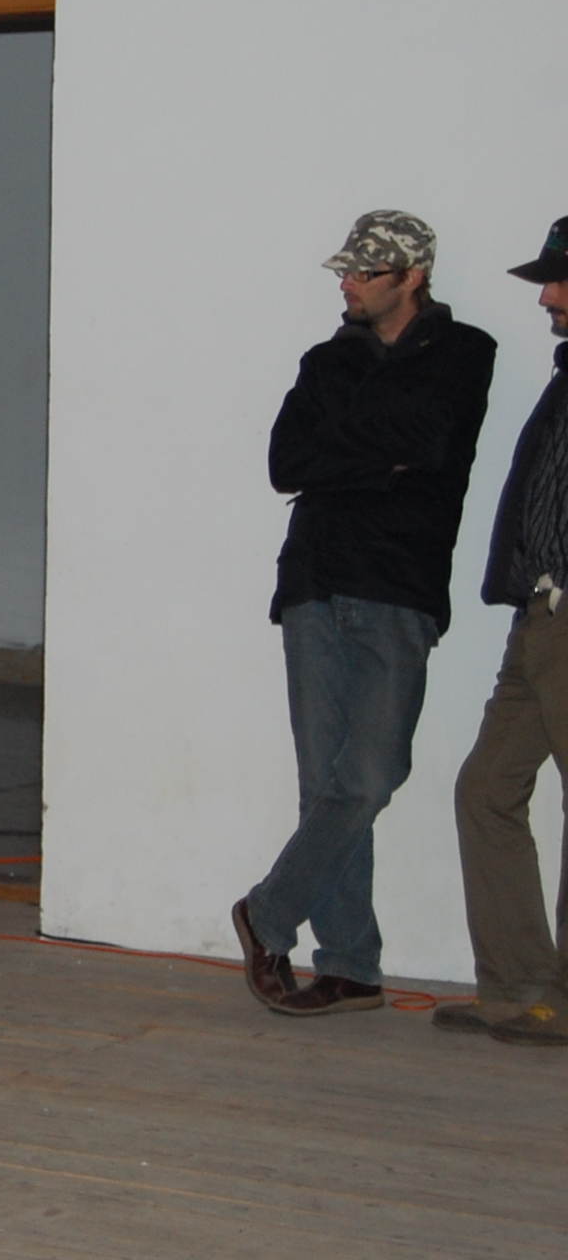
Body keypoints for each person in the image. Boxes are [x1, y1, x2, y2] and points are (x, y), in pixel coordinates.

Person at [231, 210, 494, 1015]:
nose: (345, 282)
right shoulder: (326, 360)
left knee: (372, 775)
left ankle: (267, 913)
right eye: (345, 269)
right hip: (313, 578)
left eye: (364, 272)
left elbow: (434, 445)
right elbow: (287, 463)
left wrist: (346, 453)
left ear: (412, 277)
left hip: (399, 586)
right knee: (326, 786)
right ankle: (349, 966)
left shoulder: (465, 352)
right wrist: (383, 461)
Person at [440, 216, 568, 1046]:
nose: (547, 296)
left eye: (559, 281)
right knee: (486, 789)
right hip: (541, 615)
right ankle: (522, 988)